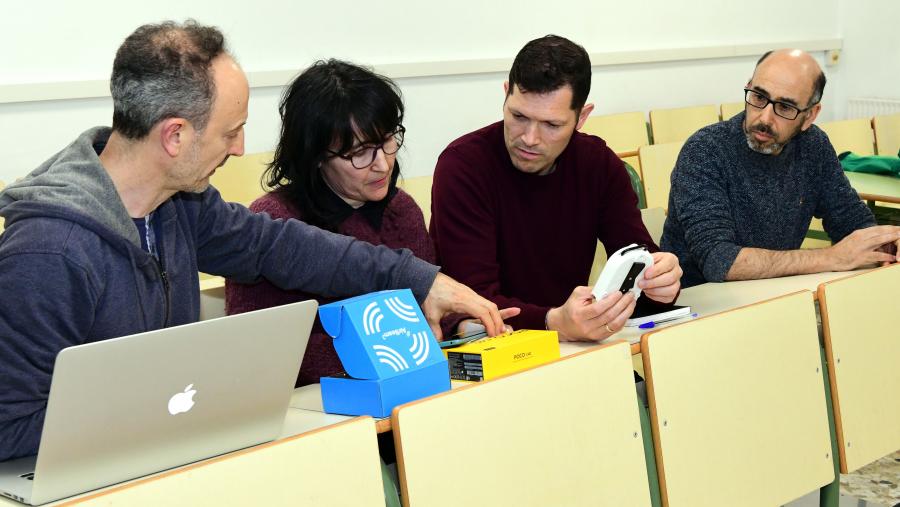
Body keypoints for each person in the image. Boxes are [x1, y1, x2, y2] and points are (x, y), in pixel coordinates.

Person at [0, 21, 507, 462]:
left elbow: (283, 248)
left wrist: (421, 279)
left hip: (163, 458)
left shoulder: (182, 205)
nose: (240, 149)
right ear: (175, 136)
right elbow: (11, 428)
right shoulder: (48, 250)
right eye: (230, 133)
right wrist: (170, 415)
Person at [430, 35, 683, 343]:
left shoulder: (599, 165)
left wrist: (661, 282)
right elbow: (473, 303)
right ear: (506, 94)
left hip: (577, 348)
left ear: (582, 117)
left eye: (551, 125)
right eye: (519, 116)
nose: (530, 138)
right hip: (492, 356)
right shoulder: (463, 166)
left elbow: (635, 262)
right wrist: (553, 322)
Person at [227, 60, 438, 386]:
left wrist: (462, 327)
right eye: (360, 152)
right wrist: (395, 343)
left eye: (387, 141)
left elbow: (429, 318)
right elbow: (262, 354)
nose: (382, 164)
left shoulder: (402, 209)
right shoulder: (272, 225)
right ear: (316, 157)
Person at [661, 49, 900, 288]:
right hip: (700, 305)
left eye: (785, 107)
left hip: (776, 291)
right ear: (748, 87)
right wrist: (833, 257)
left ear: (810, 116)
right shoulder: (705, 150)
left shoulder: (813, 145)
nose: (764, 117)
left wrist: (886, 244)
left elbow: (850, 220)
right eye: (758, 97)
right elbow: (718, 260)